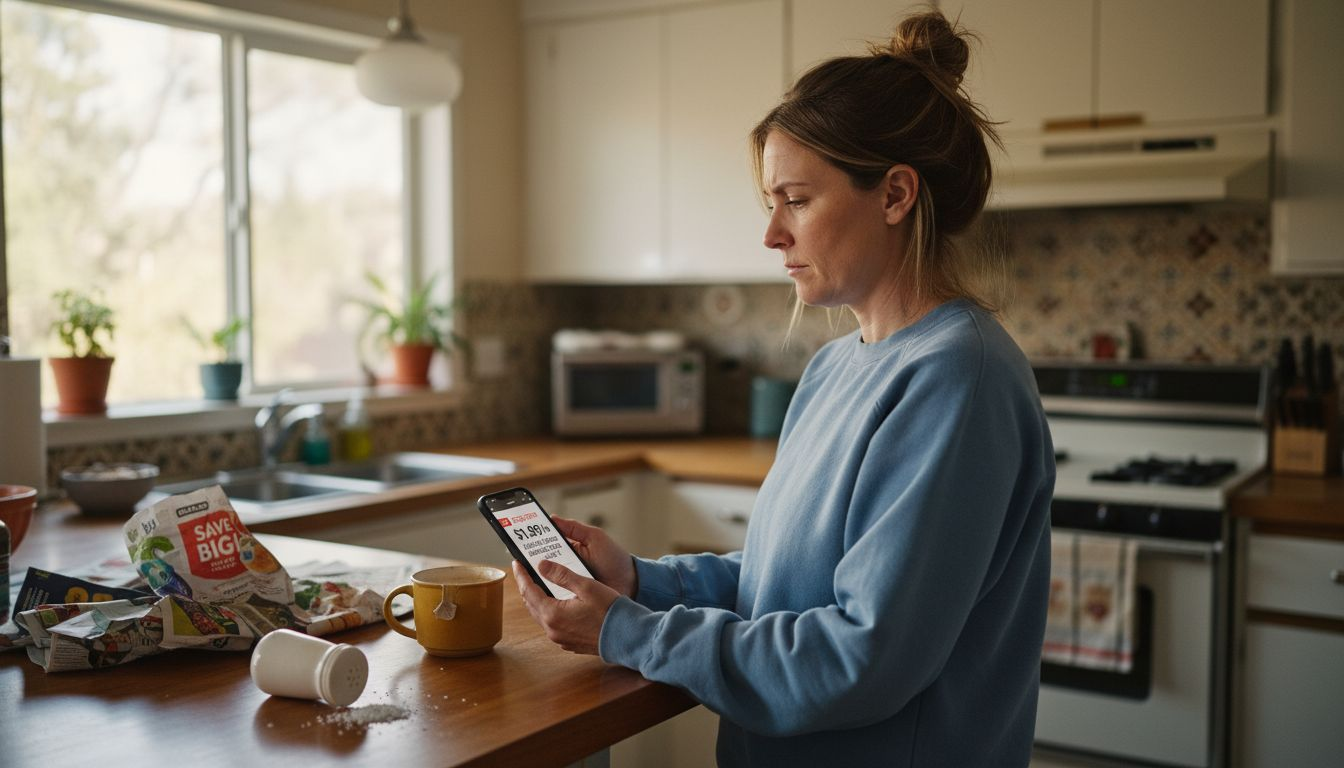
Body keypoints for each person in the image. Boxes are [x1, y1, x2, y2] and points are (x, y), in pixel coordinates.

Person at [512, 10, 1055, 767]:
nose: (772, 233)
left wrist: (624, 630)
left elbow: (857, 660)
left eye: (796, 199)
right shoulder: (838, 366)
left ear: (895, 195)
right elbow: (784, 585)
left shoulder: (958, 379)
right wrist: (639, 579)